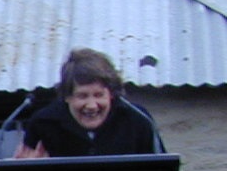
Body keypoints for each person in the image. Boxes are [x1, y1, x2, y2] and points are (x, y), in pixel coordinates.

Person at [15, 48, 163, 159]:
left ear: (111, 94)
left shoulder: (138, 120)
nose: (92, 105)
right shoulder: (43, 124)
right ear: (67, 96)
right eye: (82, 96)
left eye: (99, 95)